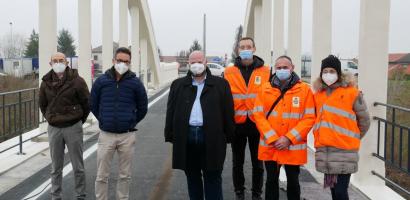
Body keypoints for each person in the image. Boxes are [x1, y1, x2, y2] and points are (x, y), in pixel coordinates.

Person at [164, 50, 235, 200]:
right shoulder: (178, 85)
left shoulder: (220, 84)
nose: (196, 65)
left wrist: (228, 136)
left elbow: (228, 112)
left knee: (213, 177)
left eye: (199, 61)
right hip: (187, 136)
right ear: (188, 64)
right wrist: (169, 134)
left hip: (212, 137)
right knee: (192, 178)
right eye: (193, 62)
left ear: (205, 63)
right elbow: (170, 110)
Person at [252, 56, 316, 200]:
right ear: (275, 69)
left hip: (292, 147)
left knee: (293, 182)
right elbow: (258, 114)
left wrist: (289, 138)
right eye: (279, 68)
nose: (282, 70)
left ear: (292, 67)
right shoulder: (264, 89)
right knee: (271, 181)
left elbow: (309, 117)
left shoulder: (304, 90)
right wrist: (273, 138)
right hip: (271, 145)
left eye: (285, 67)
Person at [90, 47, 148, 200]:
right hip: (106, 135)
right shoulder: (101, 81)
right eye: (120, 60)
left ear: (130, 63)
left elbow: (143, 107)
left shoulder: (135, 83)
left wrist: (131, 121)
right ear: (113, 61)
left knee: (125, 175)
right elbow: (93, 104)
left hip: (127, 135)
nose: (122, 64)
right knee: (102, 175)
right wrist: (103, 119)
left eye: (126, 61)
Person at [312, 55, 370, 200]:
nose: (328, 74)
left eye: (332, 71)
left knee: (340, 192)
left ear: (339, 73)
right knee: (333, 191)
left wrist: (352, 137)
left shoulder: (352, 93)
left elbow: (364, 121)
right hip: (325, 150)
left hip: (345, 150)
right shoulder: (318, 95)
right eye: (325, 71)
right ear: (321, 74)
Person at [223, 37, 270, 200]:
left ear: (254, 49)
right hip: (238, 123)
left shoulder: (266, 71)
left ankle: (257, 192)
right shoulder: (229, 72)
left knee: (258, 162)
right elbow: (224, 97)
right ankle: (239, 191)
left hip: (259, 123)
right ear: (237, 50)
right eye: (242, 47)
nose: (245, 49)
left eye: (248, 46)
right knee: (237, 161)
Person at [39, 52, 90, 200]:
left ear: (67, 63)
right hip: (54, 128)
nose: (58, 63)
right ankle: (56, 195)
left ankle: (80, 194)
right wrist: (50, 118)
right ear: (50, 64)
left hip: (73, 126)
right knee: (56, 166)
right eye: (55, 61)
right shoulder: (45, 83)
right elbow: (42, 105)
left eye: (61, 60)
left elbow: (86, 103)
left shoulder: (78, 81)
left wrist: (80, 121)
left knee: (78, 166)